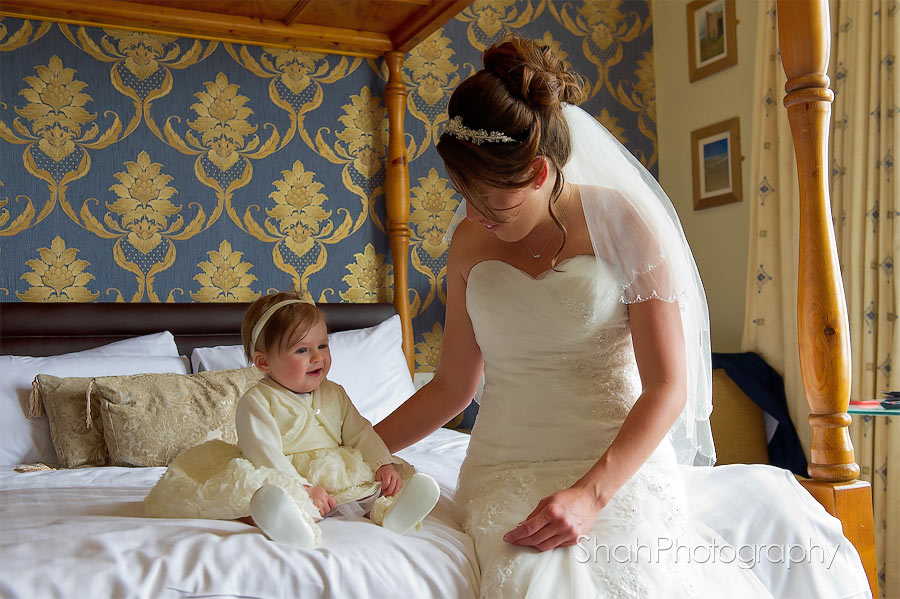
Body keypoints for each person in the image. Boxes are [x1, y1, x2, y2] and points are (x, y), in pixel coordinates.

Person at [374, 37, 772, 597]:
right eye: (465, 194)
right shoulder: (467, 243)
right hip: (503, 468)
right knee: (533, 580)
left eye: (492, 201)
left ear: (538, 172)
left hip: (616, 466)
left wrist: (590, 495)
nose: (474, 214)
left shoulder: (624, 224)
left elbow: (668, 386)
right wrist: (354, 447)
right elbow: (451, 388)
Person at [145, 292, 441, 549]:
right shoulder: (257, 402)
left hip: (334, 473)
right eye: (302, 350)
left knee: (379, 486)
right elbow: (264, 454)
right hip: (284, 472)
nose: (317, 357)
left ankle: (393, 514)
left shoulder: (335, 393)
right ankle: (284, 521)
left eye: (322, 346)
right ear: (264, 362)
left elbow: (360, 433)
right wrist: (302, 487)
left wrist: (382, 463)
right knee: (251, 495)